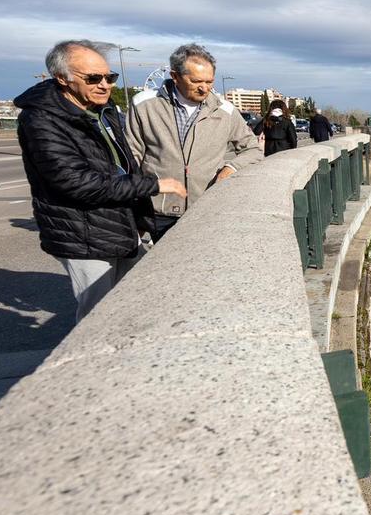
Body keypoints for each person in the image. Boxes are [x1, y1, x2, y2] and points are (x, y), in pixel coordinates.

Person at [15, 40, 187, 321]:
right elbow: (77, 183)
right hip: (84, 235)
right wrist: (154, 185)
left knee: (137, 301)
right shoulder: (41, 121)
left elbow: (123, 164)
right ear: (63, 78)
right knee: (97, 317)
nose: (105, 85)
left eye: (110, 77)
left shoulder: (103, 111)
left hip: (119, 224)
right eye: (94, 78)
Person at [127, 43, 261, 241]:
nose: (204, 88)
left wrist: (230, 169)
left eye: (209, 81)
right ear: (175, 76)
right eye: (196, 81)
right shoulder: (145, 105)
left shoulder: (224, 111)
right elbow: (131, 157)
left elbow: (253, 150)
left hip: (206, 207)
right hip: (159, 208)